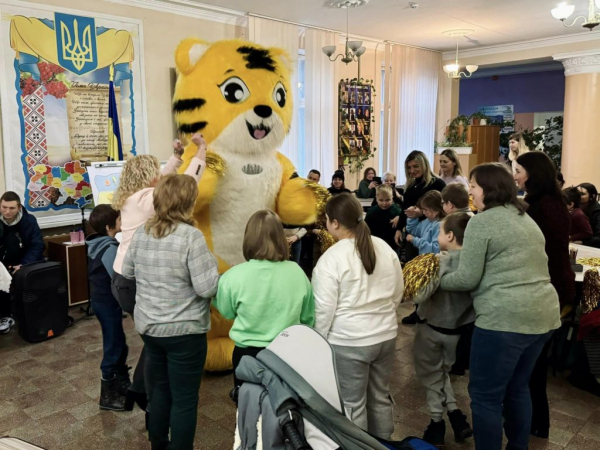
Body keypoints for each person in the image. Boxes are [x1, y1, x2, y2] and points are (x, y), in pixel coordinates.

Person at [440, 163, 560, 450]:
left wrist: (438, 277)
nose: (470, 193)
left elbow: (468, 277)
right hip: (543, 317)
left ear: (489, 189)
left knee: (485, 397)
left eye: (474, 187)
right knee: (518, 388)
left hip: (504, 321)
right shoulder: (523, 216)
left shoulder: (483, 221)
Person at [121, 174, 219, 450]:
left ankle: (159, 445)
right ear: (188, 202)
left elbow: (127, 271)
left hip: (151, 329)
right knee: (185, 400)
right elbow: (206, 288)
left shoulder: (142, 232)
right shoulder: (191, 237)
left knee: (160, 391)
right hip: (185, 332)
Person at [111, 135, 207, 410]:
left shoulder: (133, 197)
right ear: (147, 176)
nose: (159, 175)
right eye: (155, 172)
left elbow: (166, 177)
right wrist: (201, 150)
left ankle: (142, 389)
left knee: (155, 339)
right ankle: (142, 391)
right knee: (158, 341)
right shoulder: (145, 200)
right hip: (132, 282)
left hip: (123, 280)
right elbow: (185, 185)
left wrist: (176, 156)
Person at [312, 193, 404, 440]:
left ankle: (358, 446)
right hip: (385, 337)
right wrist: (382, 318)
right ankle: (384, 444)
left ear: (333, 223)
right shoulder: (384, 247)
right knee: (380, 397)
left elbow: (323, 311)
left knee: (352, 404)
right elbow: (398, 293)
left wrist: (318, 345)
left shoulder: (330, 259)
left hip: (349, 341)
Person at [215, 210, 314, 389]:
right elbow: (308, 318)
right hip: (288, 351)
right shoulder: (297, 272)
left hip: (246, 355)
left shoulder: (233, 275)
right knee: (286, 408)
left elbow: (227, 312)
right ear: (280, 237)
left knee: (247, 406)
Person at [514, 151, 575, 439]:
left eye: (518, 170)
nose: (514, 176)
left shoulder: (541, 206)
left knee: (533, 363)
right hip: (553, 286)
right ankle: (537, 422)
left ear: (533, 174)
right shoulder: (548, 201)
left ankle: (536, 423)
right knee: (533, 362)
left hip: (548, 287)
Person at [413, 213, 474, 447]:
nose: (437, 236)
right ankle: (456, 415)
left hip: (431, 328)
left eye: (439, 232)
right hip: (458, 332)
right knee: (442, 373)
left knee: (430, 377)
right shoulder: (473, 262)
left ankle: (436, 423)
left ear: (449, 235)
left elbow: (420, 295)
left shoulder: (440, 261)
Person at [86, 204, 129, 411]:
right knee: (113, 345)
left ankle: (121, 383)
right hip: (107, 303)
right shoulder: (109, 249)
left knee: (119, 342)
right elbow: (118, 279)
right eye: (119, 219)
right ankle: (107, 395)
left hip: (102, 302)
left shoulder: (98, 243)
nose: (122, 222)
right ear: (109, 226)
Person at [401, 151, 446, 324]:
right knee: (417, 275)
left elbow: (442, 208)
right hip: (416, 231)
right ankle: (418, 310)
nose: (412, 170)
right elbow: (406, 210)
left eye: (415, 166)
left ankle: (428, 311)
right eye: (409, 167)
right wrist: (402, 227)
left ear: (424, 165)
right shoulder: (410, 186)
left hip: (431, 235)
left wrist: (421, 212)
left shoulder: (438, 183)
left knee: (430, 277)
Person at [0, 191, 44, 334]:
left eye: (11, 208)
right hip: (2, 263)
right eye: (4, 207)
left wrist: (24, 264)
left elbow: (37, 245)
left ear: (19, 207)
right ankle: (4, 316)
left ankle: (27, 314)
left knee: (28, 278)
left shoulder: (29, 221)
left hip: (23, 261)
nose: (7, 211)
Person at [400, 191, 444, 255]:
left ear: (436, 210)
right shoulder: (427, 221)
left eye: (426, 210)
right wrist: (412, 216)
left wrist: (415, 240)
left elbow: (436, 249)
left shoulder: (440, 226)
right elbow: (413, 230)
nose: (423, 213)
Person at [365, 185, 402, 250]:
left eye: (387, 200)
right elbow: (365, 228)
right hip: (375, 243)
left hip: (392, 244)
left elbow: (405, 221)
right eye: (381, 200)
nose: (384, 203)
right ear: (376, 199)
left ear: (392, 198)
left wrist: (400, 217)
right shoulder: (371, 212)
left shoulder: (397, 211)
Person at [578, 183, 600, 248]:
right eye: (577, 193)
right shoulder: (573, 207)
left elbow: (599, 237)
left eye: (582, 194)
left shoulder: (597, 211)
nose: (578, 196)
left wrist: (582, 242)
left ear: (592, 196)